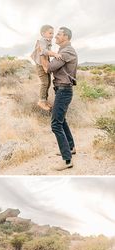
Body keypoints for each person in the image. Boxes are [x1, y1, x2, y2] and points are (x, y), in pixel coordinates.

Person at [44, 27, 78, 172]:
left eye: (58, 34)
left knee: (56, 125)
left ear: (66, 37)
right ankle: (70, 147)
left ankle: (67, 160)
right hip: (61, 90)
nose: (56, 36)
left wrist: (42, 53)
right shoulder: (63, 51)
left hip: (64, 90)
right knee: (61, 120)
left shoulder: (67, 51)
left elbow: (50, 67)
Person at [31, 25, 62, 111]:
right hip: (40, 65)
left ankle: (45, 100)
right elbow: (44, 51)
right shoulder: (42, 41)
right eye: (50, 33)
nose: (52, 35)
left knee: (48, 83)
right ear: (43, 33)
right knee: (44, 83)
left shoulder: (47, 41)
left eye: (53, 33)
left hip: (44, 64)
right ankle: (41, 101)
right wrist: (54, 54)